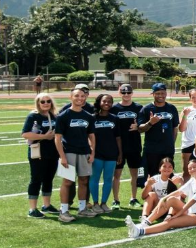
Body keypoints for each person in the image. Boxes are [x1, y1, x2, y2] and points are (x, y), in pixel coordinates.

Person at [125, 159, 196, 239]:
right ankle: (145, 223)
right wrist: (163, 199)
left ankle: (140, 231)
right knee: (171, 199)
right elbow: (179, 192)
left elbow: (192, 201)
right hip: (189, 211)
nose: (192, 170)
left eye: (194, 167)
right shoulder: (193, 180)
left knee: (170, 222)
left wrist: (177, 215)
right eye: (190, 168)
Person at [54, 86, 97, 222]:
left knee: (84, 180)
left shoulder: (88, 116)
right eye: (77, 96)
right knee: (67, 182)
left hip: (84, 152)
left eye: (82, 96)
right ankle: (64, 211)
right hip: (69, 152)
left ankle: (82, 209)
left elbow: (91, 136)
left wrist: (92, 152)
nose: (80, 98)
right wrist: (62, 156)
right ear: (71, 97)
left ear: (85, 98)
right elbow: (57, 138)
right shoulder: (63, 116)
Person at [22, 93, 60, 218]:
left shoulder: (53, 115)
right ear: (38, 103)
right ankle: (32, 209)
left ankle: (46, 205)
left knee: (48, 179)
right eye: (42, 102)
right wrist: (44, 136)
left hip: (53, 152)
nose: (46, 104)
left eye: (48, 101)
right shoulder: (33, 116)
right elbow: (25, 134)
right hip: (37, 152)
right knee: (36, 179)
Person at [137, 83, 179, 189]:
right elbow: (140, 129)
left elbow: (175, 128)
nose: (161, 95)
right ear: (153, 94)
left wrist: (171, 143)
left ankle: (167, 199)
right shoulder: (146, 109)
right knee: (153, 176)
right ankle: (153, 198)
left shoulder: (171, 108)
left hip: (167, 149)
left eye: (163, 93)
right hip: (152, 149)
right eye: (158, 93)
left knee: (168, 174)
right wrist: (150, 123)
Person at [110, 83, 143, 209]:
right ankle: (116, 200)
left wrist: (138, 127)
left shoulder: (139, 107)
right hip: (118, 147)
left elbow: (143, 125)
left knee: (134, 174)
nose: (126, 95)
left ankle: (133, 198)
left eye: (128, 92)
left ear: (132, 93)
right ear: (119, 93)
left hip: (134, 145)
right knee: (116, 174)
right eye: (123, 92)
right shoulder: (114, 108)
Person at [89, 94, 121, 214]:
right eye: (104, 101)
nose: (107, 103)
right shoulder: (92, 118)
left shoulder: (114, 118)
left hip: (111, 153)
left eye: (109, 101)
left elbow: (118, 137)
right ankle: (95, 203)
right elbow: (89, 136)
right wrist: (91, 151)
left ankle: (104, 203)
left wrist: (120, 152)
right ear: (99, 102)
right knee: (95, 178)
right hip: (97, 153)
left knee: (108, 179)